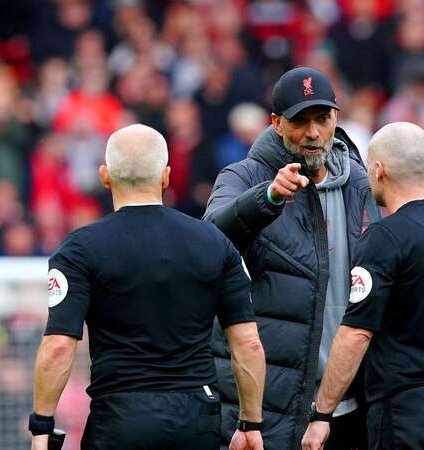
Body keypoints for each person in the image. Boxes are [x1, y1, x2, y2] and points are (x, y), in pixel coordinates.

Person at [30, 124, 266, 450]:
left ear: (105, 175)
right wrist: (250, 423)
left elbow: (59, 346)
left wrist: (41, 427)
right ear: (166, 176)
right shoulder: (215, 243)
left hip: (119, 418)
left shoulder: (79, 249)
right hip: (196, 418)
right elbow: (248, 344)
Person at [203, 66, 381, 450]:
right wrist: (266, 199)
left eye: (322, 119)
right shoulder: (244, 176)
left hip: (351, 408)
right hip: (273, 412)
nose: (313, 133)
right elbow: (210, 237)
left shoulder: (362, 185)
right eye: (300, 121)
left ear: (337, 117)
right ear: (276, 123)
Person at [301, 122, 424, 450]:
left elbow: (356, 334)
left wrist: (322, 414)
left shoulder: (383, 238)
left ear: (378, 170)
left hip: (403, 415)